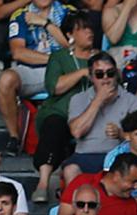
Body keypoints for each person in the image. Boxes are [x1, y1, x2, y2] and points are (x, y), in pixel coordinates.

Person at [30, 13, 97, 203]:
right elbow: (54, 86)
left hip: (92, 115)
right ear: (70, 34)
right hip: (59, 112)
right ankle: (43, 184)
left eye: (90, 28)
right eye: (82, 28)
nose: (89, 32)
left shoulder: (100, 58)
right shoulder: (59, 57)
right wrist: (82, 72)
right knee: (54, 125)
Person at [0, 0, 75, 157]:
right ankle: (14, 138)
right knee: (6, 79)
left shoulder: (69, 12)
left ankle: (71, 139)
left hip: (64, 71)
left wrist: (47, 24)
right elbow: (18, 52)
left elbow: (74, 49)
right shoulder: (21, 15)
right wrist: (54, 58)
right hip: (33, 70)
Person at [62, 51, 137, 187]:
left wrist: (121, 134)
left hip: (118, 156)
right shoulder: (78, 99)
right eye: (99, 74)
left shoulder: (132, 101)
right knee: (70, 170)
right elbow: (76, 132)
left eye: (110, 73)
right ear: (91, 77)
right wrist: (98, 100)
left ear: (117, 74)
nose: (105, 78)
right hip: (85, 155)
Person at [58, 153, 137, 215]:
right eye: (133, 182)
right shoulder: (83, 182)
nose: (136, 186)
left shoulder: (132, 207)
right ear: (116, 176)